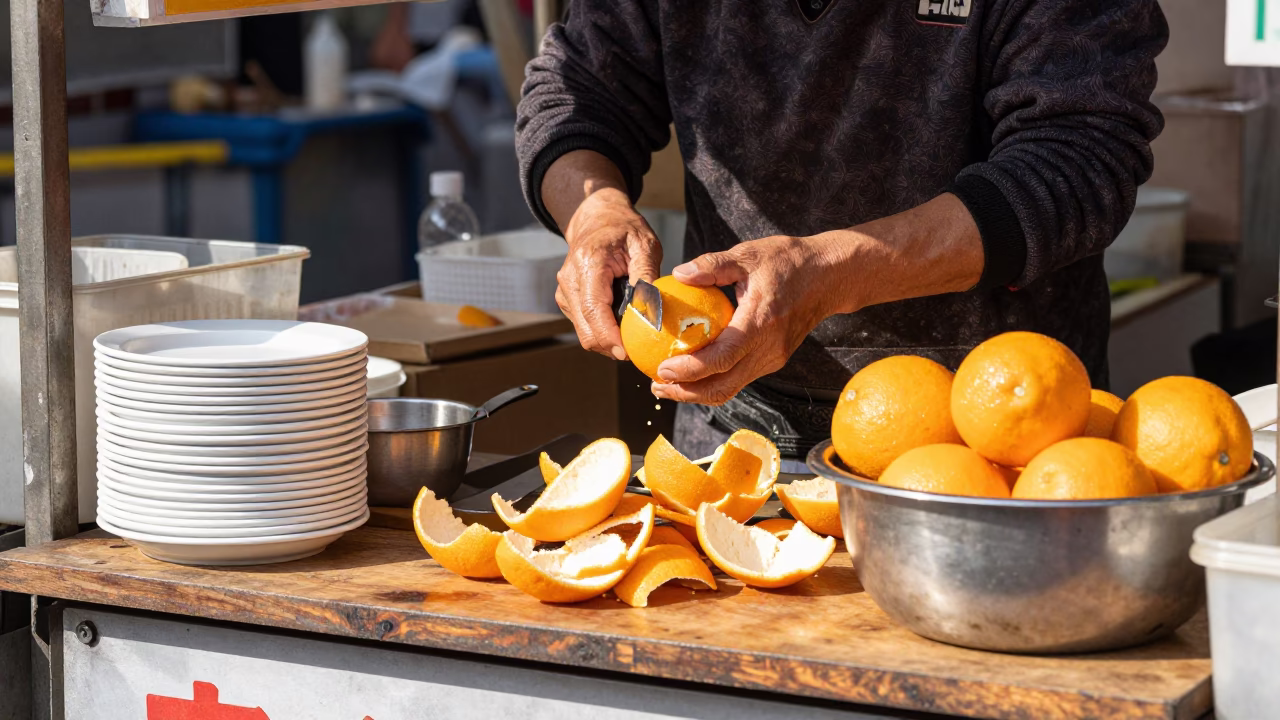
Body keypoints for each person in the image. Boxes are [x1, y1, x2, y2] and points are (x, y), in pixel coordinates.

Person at [516, 0, 1167, 461]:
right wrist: (594, 211)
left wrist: (829, 275)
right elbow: (578, 89)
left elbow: (1080, 160)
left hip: (1003, 440)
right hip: (733, 430)